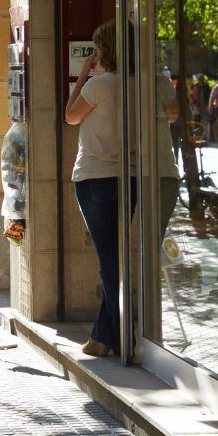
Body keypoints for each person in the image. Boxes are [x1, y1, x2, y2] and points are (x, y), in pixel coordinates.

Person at [64, 19, 180, 358]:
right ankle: (101, 337)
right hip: (135, 176)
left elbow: (70, 116)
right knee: (119, 259)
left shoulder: (98, 85)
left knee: (110, 260)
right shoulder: (157, 83)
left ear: (106, 50)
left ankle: (121, 339)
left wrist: (83, 74)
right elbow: (173, 116)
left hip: (95, 176)